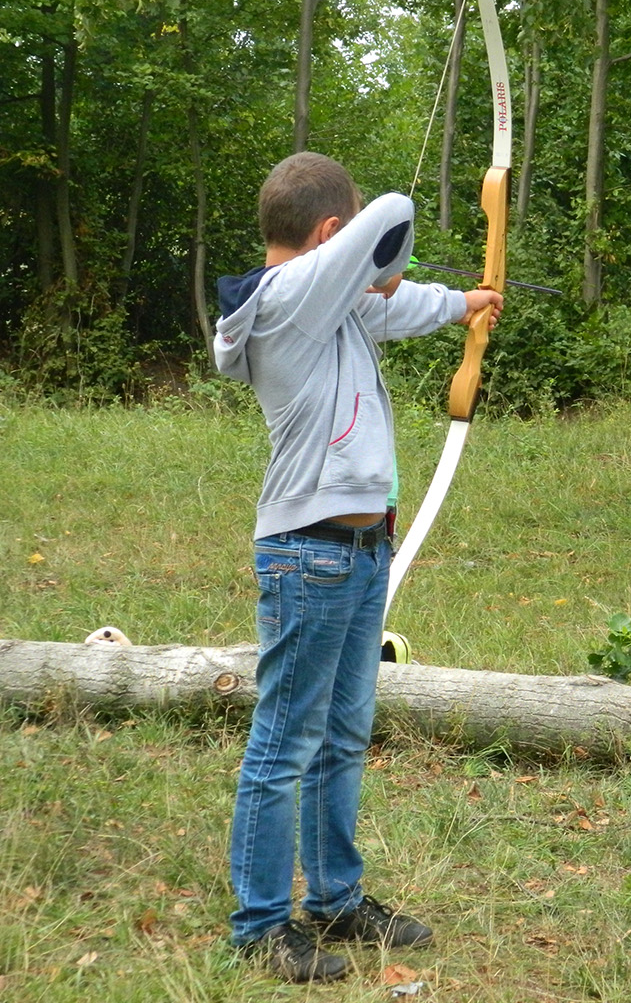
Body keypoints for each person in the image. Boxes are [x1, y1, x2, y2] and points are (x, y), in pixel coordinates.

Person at [213, 152, 503, 983]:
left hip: (362, 551)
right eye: (351, 252)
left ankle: (335, 899)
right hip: (309, 555)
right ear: (331, 235)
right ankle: (260, 926)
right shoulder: (291, 298)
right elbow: (395, 210)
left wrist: (466, 303)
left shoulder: (328, 302)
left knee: (341, 735)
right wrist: (382, 265)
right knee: (285, 743)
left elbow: (398, 305)